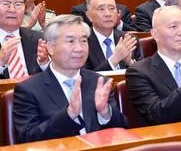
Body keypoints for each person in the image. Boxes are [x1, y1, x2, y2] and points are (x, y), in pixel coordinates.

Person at [13, 14, 127, 143]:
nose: (79, 49)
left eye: (83, 41)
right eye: (70, 41)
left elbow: (122, 129)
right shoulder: (29, 90)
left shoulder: (99, 82)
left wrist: (105, 113)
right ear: (50, 47)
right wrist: (69, 114)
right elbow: (28, 138)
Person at [0, 0, 50, 79]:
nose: (12, 9)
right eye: (6, 4)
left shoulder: (39, 39)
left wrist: (45, 63)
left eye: (18, 4)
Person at [84, 0, 140, 71]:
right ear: (89, 16)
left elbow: (144, 74)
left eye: (112, 8)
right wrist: (114, 60)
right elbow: (85, 77)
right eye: (101, 9)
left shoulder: (129, 39)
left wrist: (130, 62)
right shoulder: (82, 42)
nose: (108, 14)